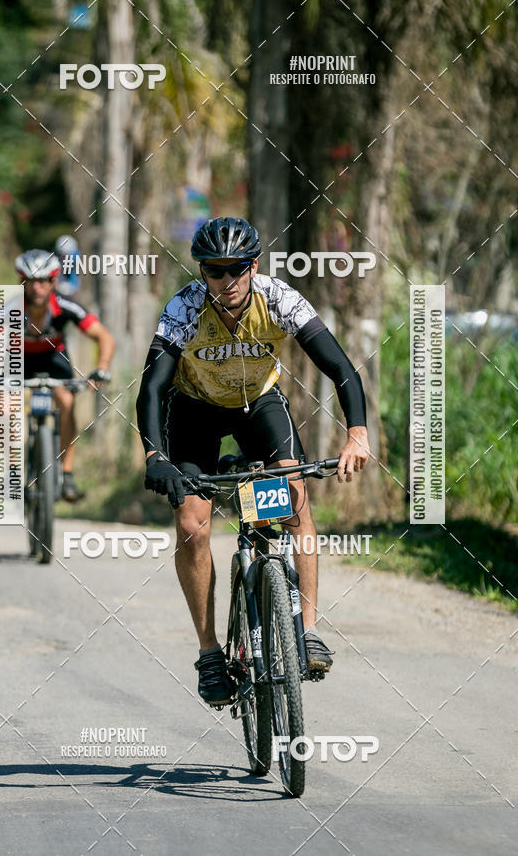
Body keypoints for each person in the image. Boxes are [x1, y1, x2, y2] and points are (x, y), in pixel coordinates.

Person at [136, 216, 370, 706]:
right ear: (203, 272)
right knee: (192, 523)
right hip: (195, 410)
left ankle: (306, 630)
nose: (228, 280)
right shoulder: (184, 307)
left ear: (253, 266)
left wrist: (357, 434)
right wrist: (156, 455)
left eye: (237, 269)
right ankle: (209, 653)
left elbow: (340, 368)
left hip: (258, 406)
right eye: (215, 271)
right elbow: (152, 388)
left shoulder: (278, 298)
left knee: (294, 500)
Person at [0, 249, 115, 501]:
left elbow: (103, 336)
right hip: (19, 359)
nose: (37, 287)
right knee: (5, 408)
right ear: (21, 282)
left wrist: (101, 367)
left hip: (54, 359)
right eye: (30, 281)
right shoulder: (10, 307)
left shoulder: (67, 305)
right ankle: (12, 472)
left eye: (43, 281)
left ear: (53, 281)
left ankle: (66, 473)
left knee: (67, 402)